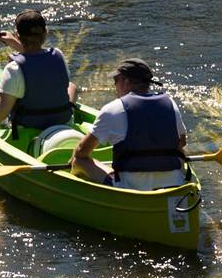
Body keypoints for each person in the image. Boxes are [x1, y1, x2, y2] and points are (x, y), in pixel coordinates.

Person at [0, 10, 77, 137]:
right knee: (71, 86)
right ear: (46, 32)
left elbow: (0, 114)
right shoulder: (58, 55)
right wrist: (15, 44)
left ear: (17, 34)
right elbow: (37, 61)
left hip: (28, 126)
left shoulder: (14, 69)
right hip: (62, 121)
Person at [70, 58, 188, 191]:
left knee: (79, 161)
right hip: (174, 185)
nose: (115, 87)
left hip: (132, 189)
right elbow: (182, 142)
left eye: (116, 81)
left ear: (126, 82)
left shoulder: (113, 109)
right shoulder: (171, 104)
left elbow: (82, 151)